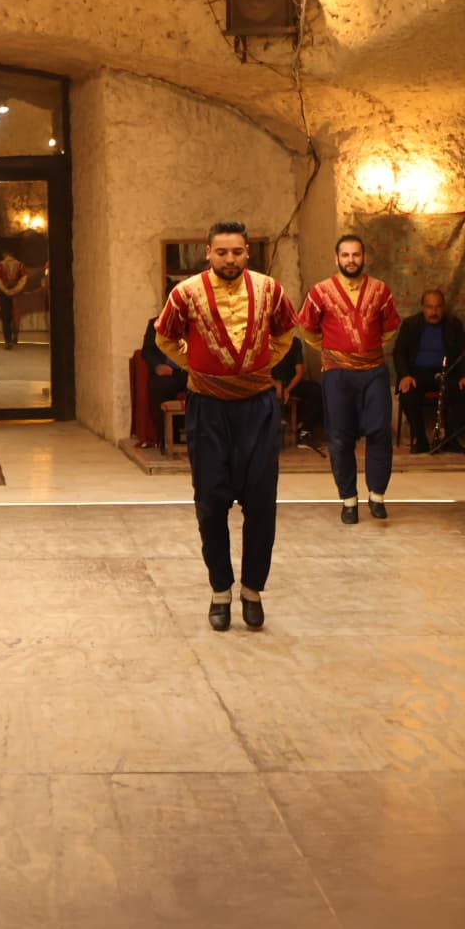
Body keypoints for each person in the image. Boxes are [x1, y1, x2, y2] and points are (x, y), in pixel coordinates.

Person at [153, 221, 298, 632]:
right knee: (211, 502)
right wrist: (195, 365)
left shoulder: (270, 289)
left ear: (247, 252)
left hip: (258, 406)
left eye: (237, 252)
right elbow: (165, 338)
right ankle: (220, 591)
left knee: (261, 502)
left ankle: (252, 590)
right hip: (208, 409)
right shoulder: (185, 293)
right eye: (222, 252)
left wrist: (263, 361)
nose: (229, 259)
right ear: (208, 252)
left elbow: (287, 330)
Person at [296, 235, 402, 523]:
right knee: (340, 438)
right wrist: (332, 349)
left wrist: (366, 346)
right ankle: (349, 501)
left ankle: (377, 495)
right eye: (345, 255)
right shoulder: (320, 292)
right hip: (337, 374)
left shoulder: (380, 290)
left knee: (380, 430)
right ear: (336, 258)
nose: (351, 260)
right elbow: (307, 327)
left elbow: (391, 326)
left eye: (356, 255)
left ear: (363, 257)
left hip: (374, 371)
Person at [393, 289, 465, 453]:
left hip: (448, 372)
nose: (434, 312)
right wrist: (405, 376)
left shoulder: (454, 324)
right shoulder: (410, 325)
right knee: (408, 394)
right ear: (423, 307)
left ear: (444, 307)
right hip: (418, 374)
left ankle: (450, 439)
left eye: (438, 307)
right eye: (429, 307)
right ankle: (421, 440)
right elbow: (399, 352)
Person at [0, 251, 31, 349]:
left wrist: (5, 290)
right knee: (16, 316)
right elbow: (24, 278)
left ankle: (8, 341)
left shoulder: (0, 265)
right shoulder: (20, 265)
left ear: (4, 254)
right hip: (17, 294)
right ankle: (15, 337)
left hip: (4, 293)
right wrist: (16, 289)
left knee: (6, 317)